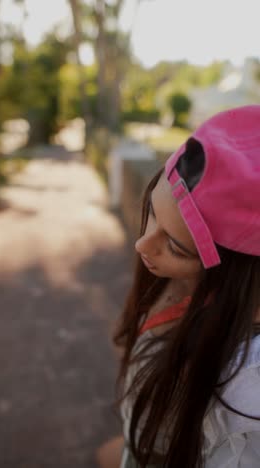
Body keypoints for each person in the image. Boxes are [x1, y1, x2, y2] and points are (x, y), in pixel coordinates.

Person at [98, 105, 260, 468]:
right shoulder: (184, 289)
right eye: (152, 211)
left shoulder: (243, 386)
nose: (142, 245)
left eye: (175, 247)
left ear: (235, 275)